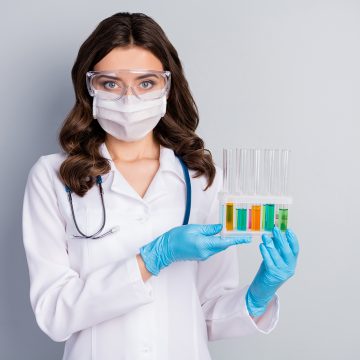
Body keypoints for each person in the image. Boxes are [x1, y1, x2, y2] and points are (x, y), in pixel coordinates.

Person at [22, 12, 299, 360]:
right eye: (110, 83)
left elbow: (207, 313)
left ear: (167, 86)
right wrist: (152, 258)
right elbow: (54, 313)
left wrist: (260, 292)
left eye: (146, 83)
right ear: (88, 87)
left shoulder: (200, 178)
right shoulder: (53, 177)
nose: (128, 99)